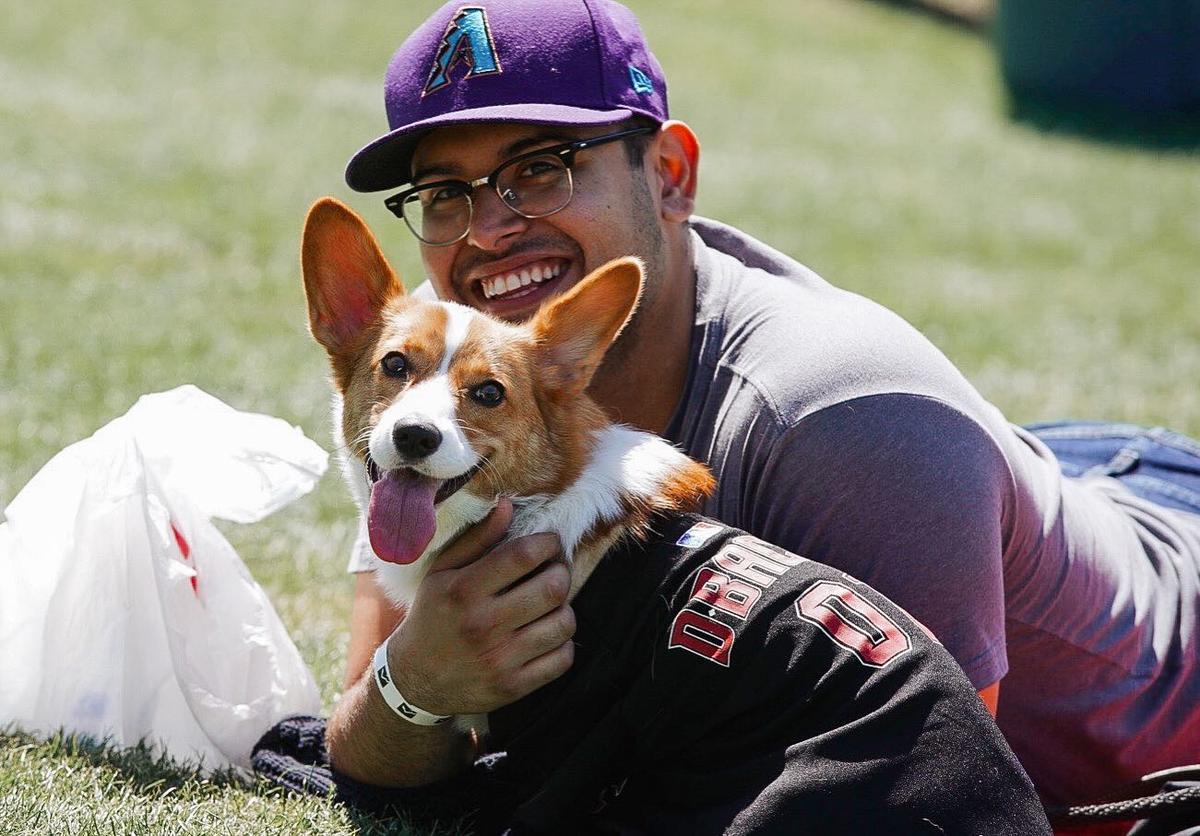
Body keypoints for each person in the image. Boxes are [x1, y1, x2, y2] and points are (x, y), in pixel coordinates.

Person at [323, 0, 1200, 816]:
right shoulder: (436, 425)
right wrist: (417, 684)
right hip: (1042, 478)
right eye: (445, 196)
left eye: (541, 169)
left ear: (669, 175)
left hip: (1165, 619)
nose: (487, 230)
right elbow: (365, 736)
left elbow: (935, 788)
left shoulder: (843, 421)